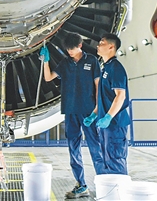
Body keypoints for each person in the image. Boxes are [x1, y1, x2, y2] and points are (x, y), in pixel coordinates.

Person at [40, 32, 102, 199]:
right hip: (70, 110)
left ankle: (104, 183)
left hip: (88, 111)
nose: (69, 52)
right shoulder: (65, 63)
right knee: (73, 149)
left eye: (72, 49)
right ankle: (81, 185)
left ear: (80, 45)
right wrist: (45, 61)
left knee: (96, 148)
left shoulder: (92, 61)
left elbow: (98, 85)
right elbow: (48, 78)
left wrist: (97, 109)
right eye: (67, 49)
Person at [85, 34, 130, 175]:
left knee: (115, 159)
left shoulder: (116, 68)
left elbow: (120, 95)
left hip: (115, 124)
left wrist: (109, 117)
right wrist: (94, 114)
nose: (98, 45)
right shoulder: (105, 68)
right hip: (106, 124)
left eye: (102, 43)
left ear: (111, 47)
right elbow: (104, 98)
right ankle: (111, 187)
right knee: (107, 159)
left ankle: (119, 187)